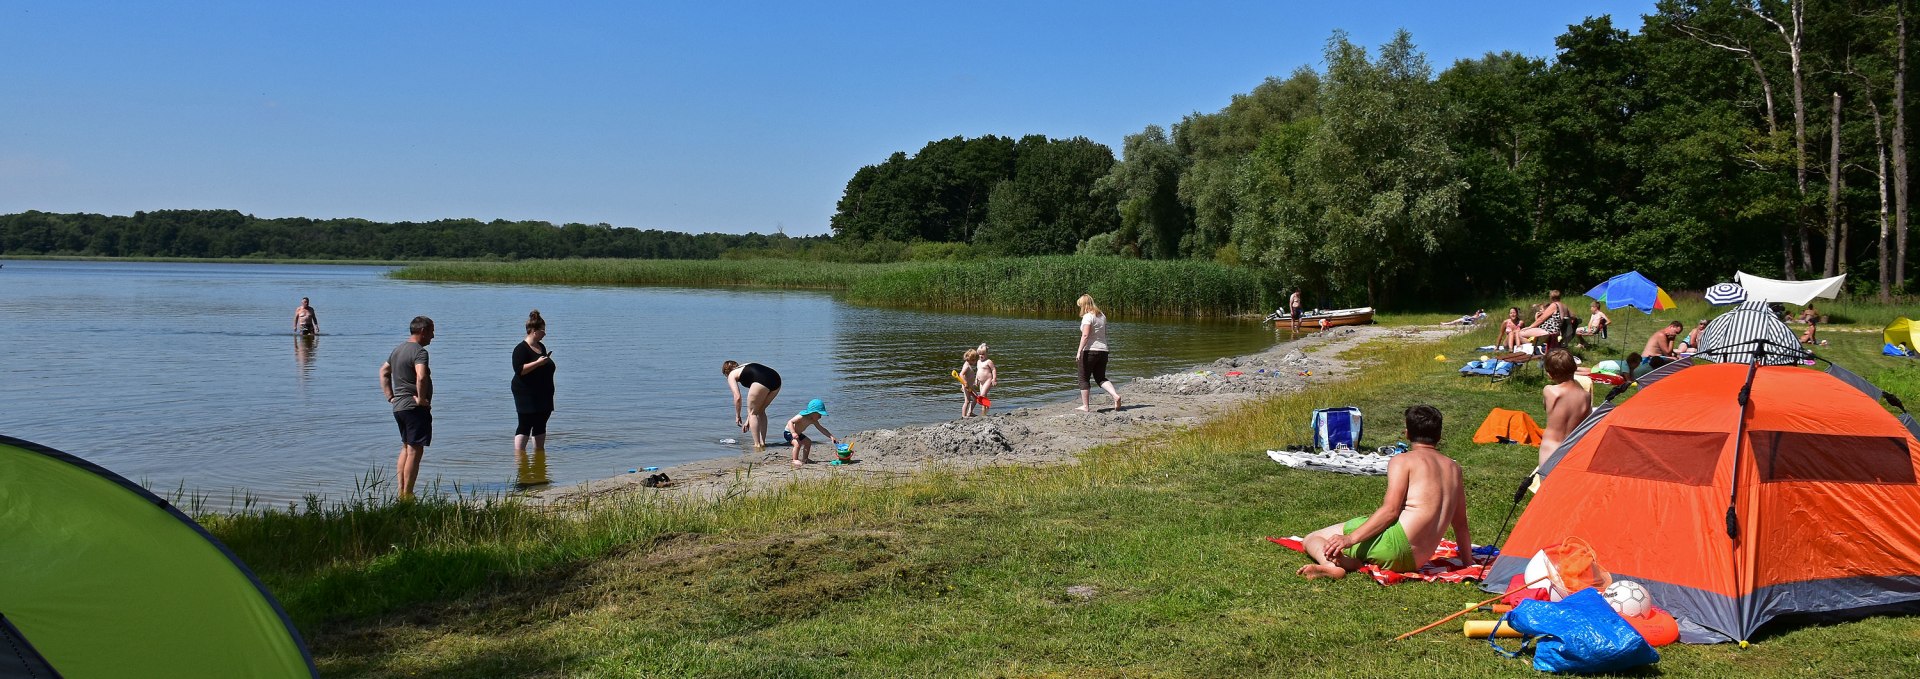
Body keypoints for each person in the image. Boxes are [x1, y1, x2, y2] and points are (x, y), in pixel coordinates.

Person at [1297, 405, 1472, 579]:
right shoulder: (1454, 468)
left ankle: (1332, 566)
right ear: (1439, 436)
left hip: (1393, 545)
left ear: (1407, 433)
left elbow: (1390, 511)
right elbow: (1460, 525)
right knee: (1368, 526)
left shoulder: (1403, 460)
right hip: (1416, 560)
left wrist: (1350, 538)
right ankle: (1351, 562)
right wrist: (1468, 564)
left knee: (1314, 537)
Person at [380, 316, 434, 498]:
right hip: (414, 408)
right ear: (423, 331)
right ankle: (408, 494)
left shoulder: (398, 349)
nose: (433, 336)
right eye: (431, 331)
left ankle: (402, 492)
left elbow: (383, 372)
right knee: (415, 450)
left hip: (399, 407)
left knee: (406, 447)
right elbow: (421, 376)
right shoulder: (419, 352)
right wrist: (420, 399)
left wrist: (390, 397)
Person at [511, 309, 556, 456]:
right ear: (534, 331)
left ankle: (539, 454)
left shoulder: (541, 346)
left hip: (543, 393)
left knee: (541, 422)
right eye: (543, 330)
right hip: (525, 393)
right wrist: (537, 363)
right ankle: (520, 457)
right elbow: (520, 370)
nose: (545, 333)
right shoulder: (520, 349)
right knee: (525, 423)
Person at [1539, 349, 1592, 470]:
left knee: (1547, 485)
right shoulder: (1585, 396)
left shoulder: (1550, 391)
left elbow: (1546, 408)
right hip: (1572, 448)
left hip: (1550, 447)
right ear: (1574, 368)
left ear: (1550, 374)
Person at [1076, 294, 1121, 413]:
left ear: (1084, 305)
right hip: (1103, 350)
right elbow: (1104, 333)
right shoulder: (1102, 316)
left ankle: (1085, 406)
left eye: (1080, 305)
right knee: (1100, 377)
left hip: (1090, 351)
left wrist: (1079, 351)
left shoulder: (1087, 317)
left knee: (1083, 378)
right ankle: (1115, 395)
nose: (1080, 308)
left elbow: (1085, 335)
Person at [723, 360, 781, 448]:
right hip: (776, 379)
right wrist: (748, 421)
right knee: (760, 411)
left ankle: (757, 445)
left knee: (753, 413)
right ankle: (762, 443)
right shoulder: (745, 366)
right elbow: (756, 407)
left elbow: (737, 397)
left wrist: (738, 415)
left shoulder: (731, 375)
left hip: (762, 380)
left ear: (726, 373)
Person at [782, 399, 838, 466]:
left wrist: (831, 436)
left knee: (808, 442)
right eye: (819, 414)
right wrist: (793, 432)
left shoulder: (813, 420)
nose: (820, 416)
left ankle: (805, 459)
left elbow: (821, 429)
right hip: (789, 432)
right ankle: (795, 460)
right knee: (797, 444)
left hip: (798, 433)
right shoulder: (801, 416)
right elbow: (790, 422)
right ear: (813, 412)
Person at [974, 343, 997, 416]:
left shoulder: (988, 361)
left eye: (983, 354)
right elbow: (978, 371)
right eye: (979, 354)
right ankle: (985, 408)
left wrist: (994, 379)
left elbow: (993, 370)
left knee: (982, 394)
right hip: (981, 381)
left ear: (987, 353)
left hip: (988, 380)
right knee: (984, 396)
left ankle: (983, 411)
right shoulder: (978, 361)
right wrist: (976, 379)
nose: (981, 356)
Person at [959, 348, 980, 418]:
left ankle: (970, 412)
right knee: (967, 401)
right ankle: (963, 415)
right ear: (972, 359)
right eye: (975, 360)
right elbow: (961, 374)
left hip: (970, 386)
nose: (976, 362)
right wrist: (964, 383)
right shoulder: (967, 366)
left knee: (976, 398)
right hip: (966, 386)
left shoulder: (968, 365)